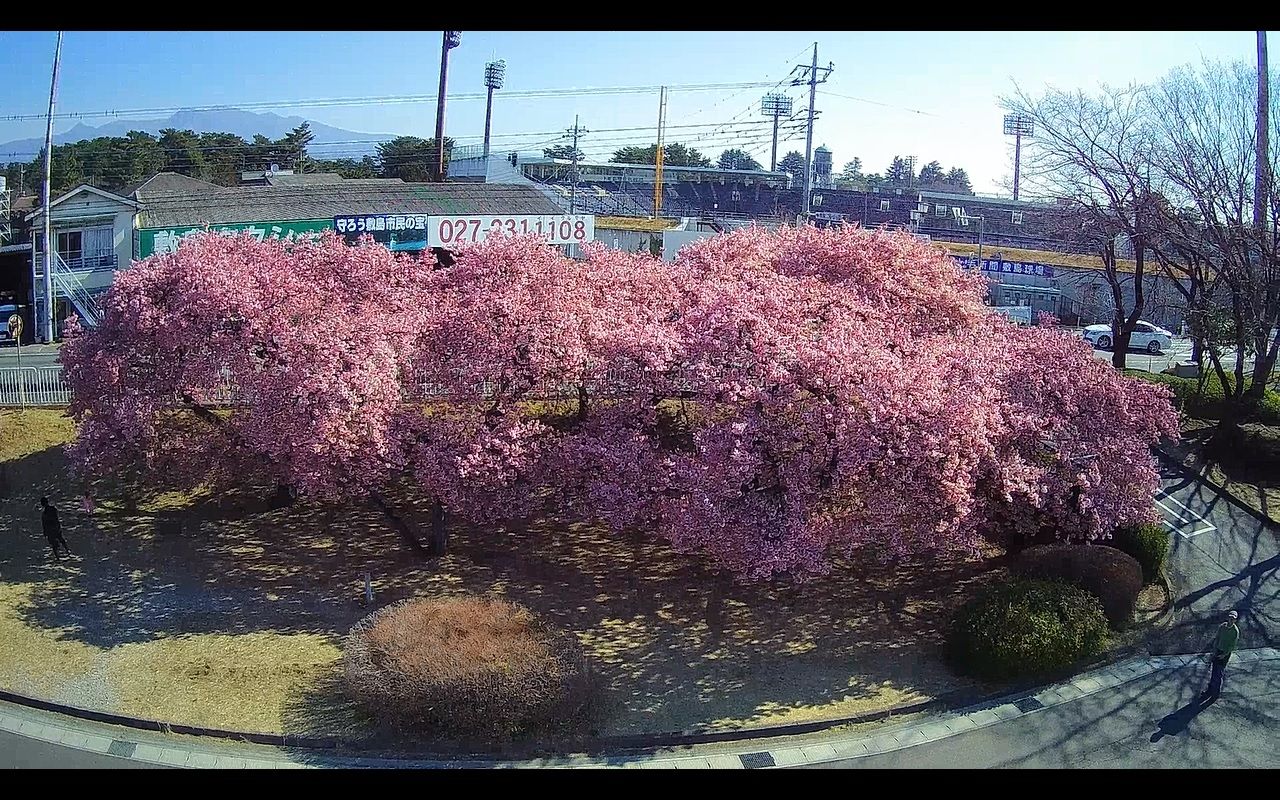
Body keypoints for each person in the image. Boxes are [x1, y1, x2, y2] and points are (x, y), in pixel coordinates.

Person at [1203, 610, 1240, 700]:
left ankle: (1215, 693)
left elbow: (1232, 645)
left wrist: (1224, 654)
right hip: (1217, 651)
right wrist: (1214, 650)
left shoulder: (1235, 631)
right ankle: (1210, 690)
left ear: (1235, 620)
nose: (1231, 620)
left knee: (1219, 673)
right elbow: (1217, 638)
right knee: (1213, 671)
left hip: (1225, 654)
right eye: (1230, 618)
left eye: (1233, 619)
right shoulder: (1222, 626)